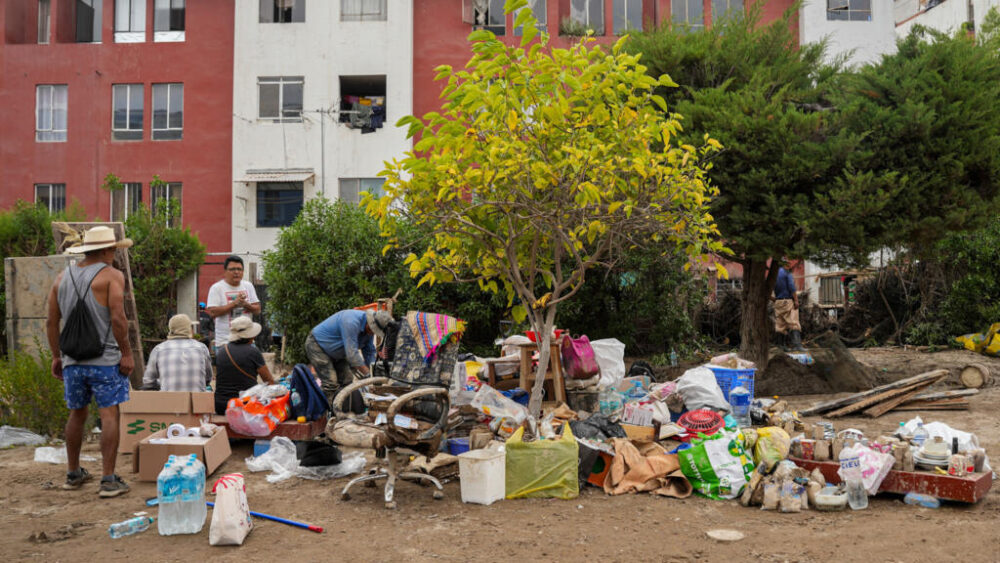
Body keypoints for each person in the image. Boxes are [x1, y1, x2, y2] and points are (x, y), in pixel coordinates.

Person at [45, 226, 134, 498]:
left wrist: (57, 356)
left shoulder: (61, 278)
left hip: (73, 361)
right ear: (107, 250)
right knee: (109, 414)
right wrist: (126, 353)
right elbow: (118, 318)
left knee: (77, 413)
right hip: (105, 360)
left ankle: (73, 473)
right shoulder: (112, 276)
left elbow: (51, 322)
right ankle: (108, 480)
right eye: (114, 249)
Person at [305, 309, 391, 406]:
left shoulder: (369, 331)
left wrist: (373, 372)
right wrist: (368, 375)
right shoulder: (351, 322)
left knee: (347, 380)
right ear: (371, 324)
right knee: (330, 383)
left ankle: (343, 407)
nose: (372, 333)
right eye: (372, 330)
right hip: (317, 345)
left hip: (337, 352)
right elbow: (352, 355)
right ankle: (325, 411)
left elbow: (369, 352)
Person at [214, 316, 275, 415]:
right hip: (245, 405)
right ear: (250, 336)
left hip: (221, 406)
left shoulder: (221, 351)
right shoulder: (253, 352)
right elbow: (269, 381)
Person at [142, 314, 213, 392]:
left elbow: (148, 382)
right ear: (189, 329)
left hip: (169, 398)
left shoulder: (159, 349)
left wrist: (162, 382)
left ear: (171, 329)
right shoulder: (202, 348)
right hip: (196, 398)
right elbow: (208, 378)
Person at [205, 256, 260, 351]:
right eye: (232, 269)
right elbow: (212, 312)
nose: (236, 272)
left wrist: (246, 304)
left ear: (243, 271)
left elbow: (257, 310)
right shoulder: (217, 288)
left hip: (247, 340)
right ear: (225, 271)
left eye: (239, 269)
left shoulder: (248, 286)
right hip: (225, 342)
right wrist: (234, 304)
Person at [773, 263, 805, 351]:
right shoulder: (787, 272)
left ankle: (781, 346)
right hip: (787, 301)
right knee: (794, 323)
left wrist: (775, 300)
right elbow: (792, 287)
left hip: (778, 301)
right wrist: (796, 300)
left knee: (780, 324)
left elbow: (767, 290)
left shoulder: (772, 274)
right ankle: (797, 345)